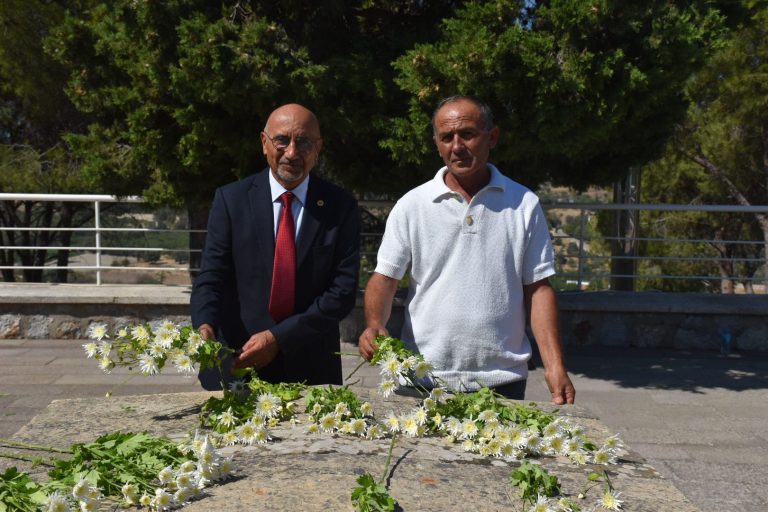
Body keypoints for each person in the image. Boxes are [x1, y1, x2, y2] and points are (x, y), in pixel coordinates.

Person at [358, 95, 575, 404]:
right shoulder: (412, 205)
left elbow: (538, 289)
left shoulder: (524, 204)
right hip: (421, 378)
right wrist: (374, 324)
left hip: (501, 380)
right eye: (446, 137)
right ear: (437, 144)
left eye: (468, 134)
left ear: (492, 137)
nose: (457, 146)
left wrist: (555, 366)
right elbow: (385, 278)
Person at [192, 103, 360, 389]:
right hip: (237, 360)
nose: (292, 153)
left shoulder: (340, 207)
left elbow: (342, 293)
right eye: (282, 140)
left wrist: (278, 339)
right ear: (264, 143)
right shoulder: (231, 200)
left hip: (310, 366)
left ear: (318, 148)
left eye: (303, 142)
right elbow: (211, 276)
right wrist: (204, 325)